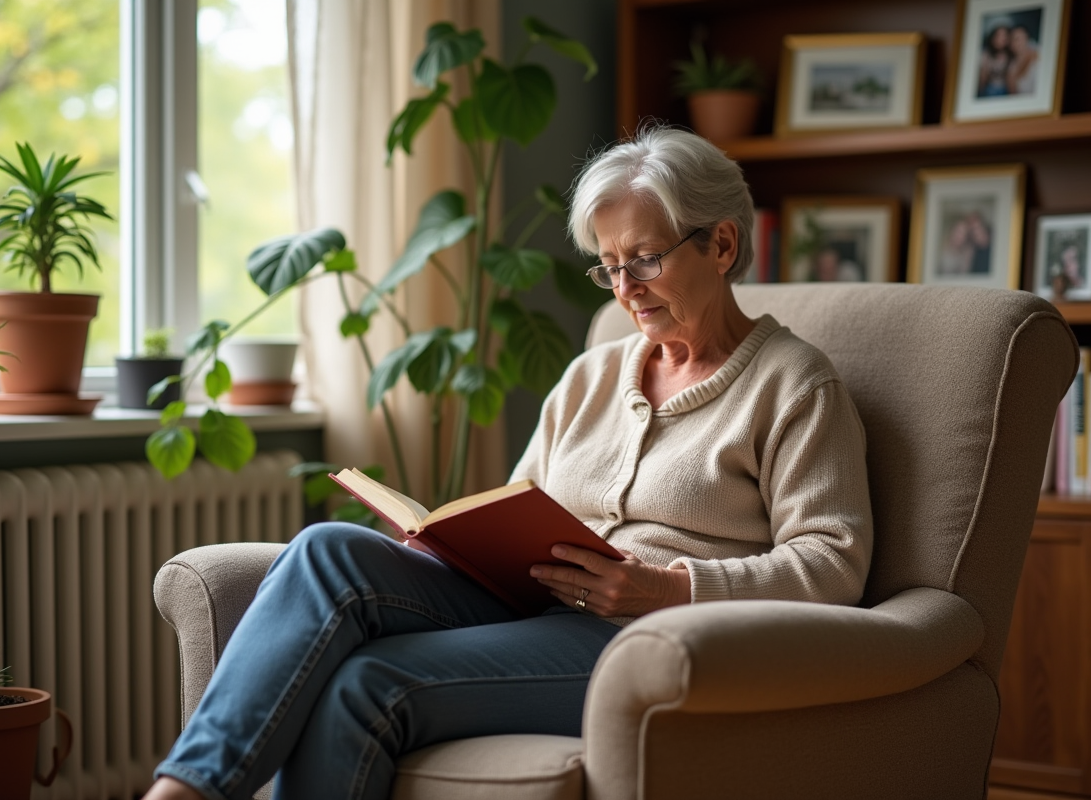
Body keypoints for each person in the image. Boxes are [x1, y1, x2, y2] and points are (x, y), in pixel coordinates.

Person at [142, 125, 874, 800]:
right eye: (609, 266)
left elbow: (834, 563)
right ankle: (186, 790)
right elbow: (521, 502)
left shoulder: (794, 384)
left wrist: (665, 589)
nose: (625, 289)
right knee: (327, 548)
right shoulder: (594, 373)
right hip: (531, 600)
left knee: (366, 682)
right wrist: (449, 545)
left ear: (721, 245)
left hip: (642, 639)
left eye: (645, 259)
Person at [977, 20, 1012, 97]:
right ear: (993, 38)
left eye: (1005, 35)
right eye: (999, 35)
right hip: (990, 90)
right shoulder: (986, 54)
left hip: (1006, 91)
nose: (1003, 38)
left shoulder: (1011, 54)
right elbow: (983, 78)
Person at [1008, 24, 1040, 94]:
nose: (1018, 43)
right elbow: (1013, 94)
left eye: (1020, 39)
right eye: (1014, 39)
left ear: (1027, 38)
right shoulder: (1012, 68)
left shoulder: (1039, 52)